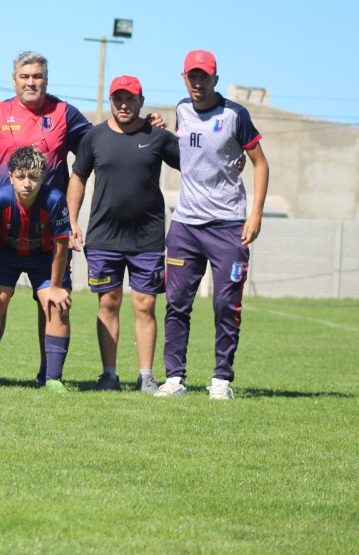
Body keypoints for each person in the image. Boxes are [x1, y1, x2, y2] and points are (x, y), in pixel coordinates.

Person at [0, 51, 91, 386]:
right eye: (25, 76)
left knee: (56, 302)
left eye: (37, 76)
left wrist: (145, 129)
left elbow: (96, 148)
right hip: (3, 233)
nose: (31, 82)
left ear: (46, 80)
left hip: (48, 236)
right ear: (14, 80)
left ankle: (50, 377)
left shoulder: (65, 113)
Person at [156, 50, 269, 401]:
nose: (198, 83)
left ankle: (221, 380)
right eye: (193, 76)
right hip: (185, 226)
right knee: (176, 303)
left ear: (215, 80)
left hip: (228, 225)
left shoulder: (236, 115)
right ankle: (174, 378)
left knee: (225, 304)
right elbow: (190, 155)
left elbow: (260, 164)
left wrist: (255, 215)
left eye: (204, 76)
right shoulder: (181, 111)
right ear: (184, 78)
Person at [66, 76, 180, 394]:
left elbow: (194, 164)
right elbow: (78, 178)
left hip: (148, 239)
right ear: (111, 100)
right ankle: (109, 376)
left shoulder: (158, 137)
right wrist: (72, 221)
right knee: (109, 304)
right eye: (118, 99)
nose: (124, 104)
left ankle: (146, 376)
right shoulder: (94, 137)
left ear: (141, 101)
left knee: (144, 306)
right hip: (103, 240)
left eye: (130, 99)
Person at [0, 147, 72, 391]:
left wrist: (57, 287)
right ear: (10, 176)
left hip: (44, 257)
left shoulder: (55, 199)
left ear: (43, 177)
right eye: (21, 176)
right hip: (5, 255)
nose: (27, 183)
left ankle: (52, 377)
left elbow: (61, 246)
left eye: (34, 177)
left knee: (56, 305)